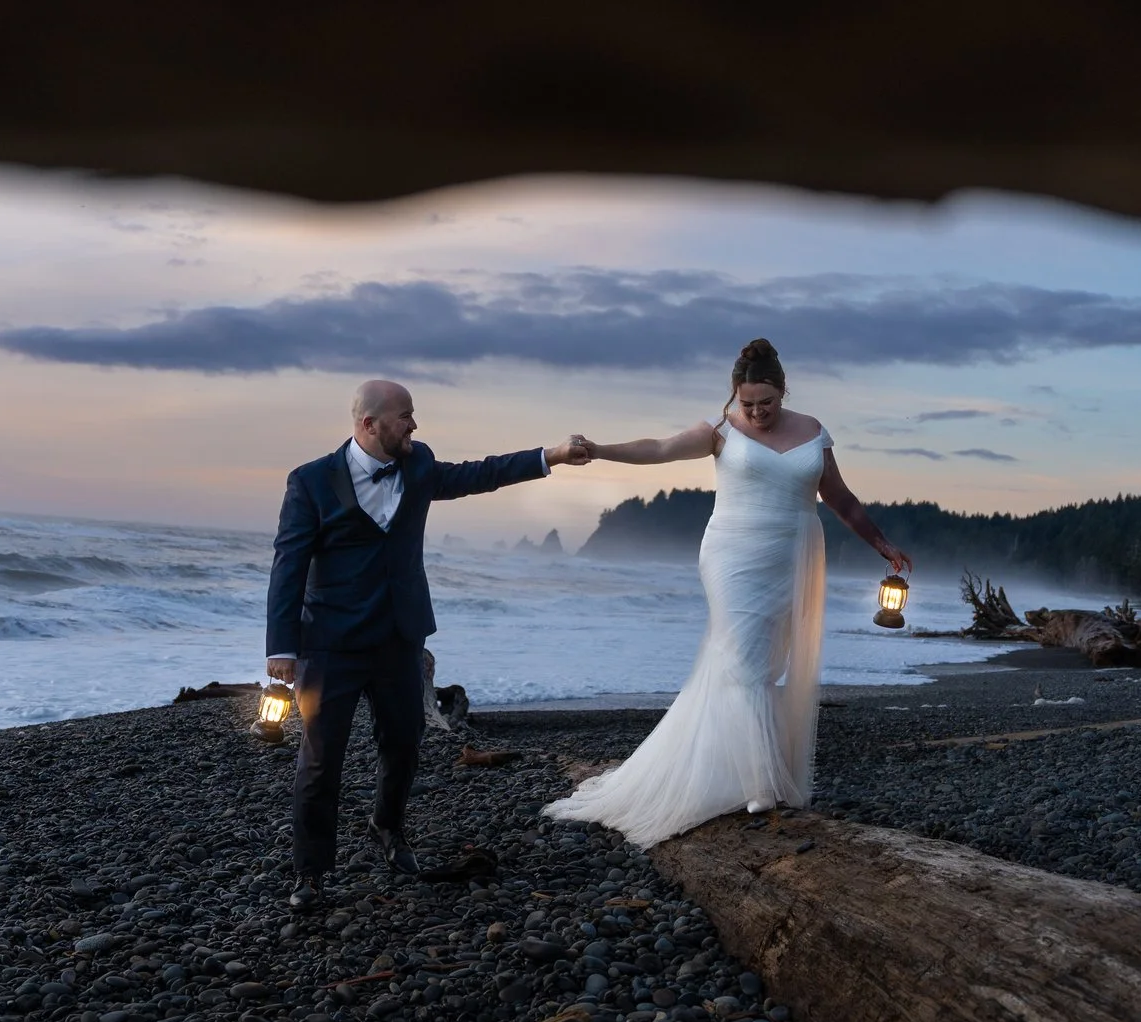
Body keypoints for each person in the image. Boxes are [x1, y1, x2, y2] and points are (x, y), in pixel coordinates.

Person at [543, 338, 910, 849]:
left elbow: (840, 498)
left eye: (767, 403)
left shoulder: (812, 431)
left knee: (765, 663)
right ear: (736, 396)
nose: (757, 413)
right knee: (745, 662)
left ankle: (726, 768)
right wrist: (600, 449)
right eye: (748, 403)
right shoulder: (720, 430)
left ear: (783, 392)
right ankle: (759, 783)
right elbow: (659, 449)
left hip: (793, 557)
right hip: (732, 555)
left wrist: (881, 543)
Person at [267, 379, 590, 910]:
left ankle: (387, 827)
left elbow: (479, 474)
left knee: (403, 743)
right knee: (321, 759)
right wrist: (281, 646)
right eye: (405, 416)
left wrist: (550, 455)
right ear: (369, 424)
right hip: (329, 644)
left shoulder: (418, 464)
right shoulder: (310, 481)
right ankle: (311, 872)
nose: (414, 425)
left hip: (400, 638)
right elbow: (289, 564)